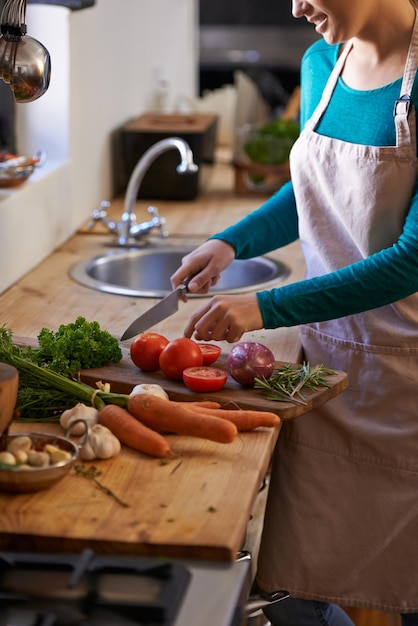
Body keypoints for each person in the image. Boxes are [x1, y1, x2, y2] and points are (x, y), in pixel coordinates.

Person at [170, 0, 418, 624]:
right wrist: (231, 241)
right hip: (320, 365)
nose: (295, 5)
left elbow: (412, 259)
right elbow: (305, 186)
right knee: (324, 571)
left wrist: (264, 307)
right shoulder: (319, 63)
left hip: (402, 378)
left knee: (381, 588)